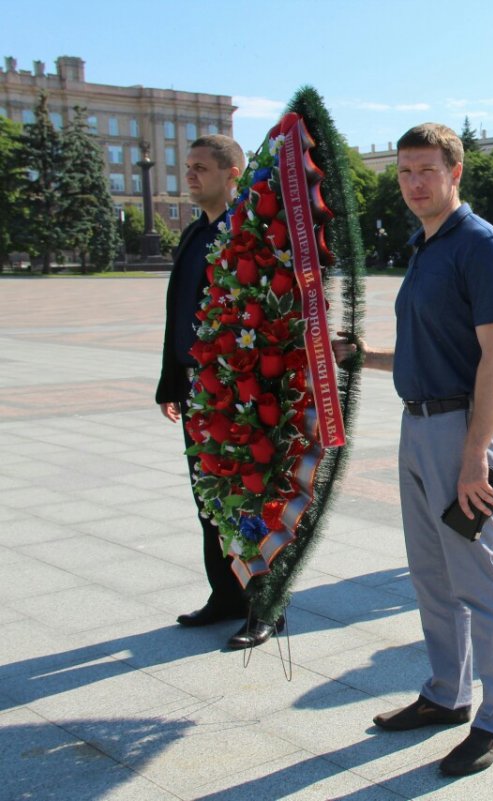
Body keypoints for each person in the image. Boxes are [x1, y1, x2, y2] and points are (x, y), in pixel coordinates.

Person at [333, 124, 493, 776]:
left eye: (426, 170)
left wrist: (476, 455)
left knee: (479, 579)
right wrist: (363, 356)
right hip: (418, 425)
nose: (415, 183)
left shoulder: (482, 247)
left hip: (464, 432)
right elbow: (432, 351)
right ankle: (448, 693)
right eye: (405, 171)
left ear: (455, 171)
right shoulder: (426, 247)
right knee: (431, 576)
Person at [157, 135, 281, 650]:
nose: (190, 176)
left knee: (250, 496)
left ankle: (265, 605)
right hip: (196, 389)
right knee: (208, 496)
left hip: (239, 386)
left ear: (233, 173)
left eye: (201, 168)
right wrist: (171, 380)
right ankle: (225, 595)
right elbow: (177, 312)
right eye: (188, 168)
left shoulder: (248, 232)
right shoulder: (193, 234)